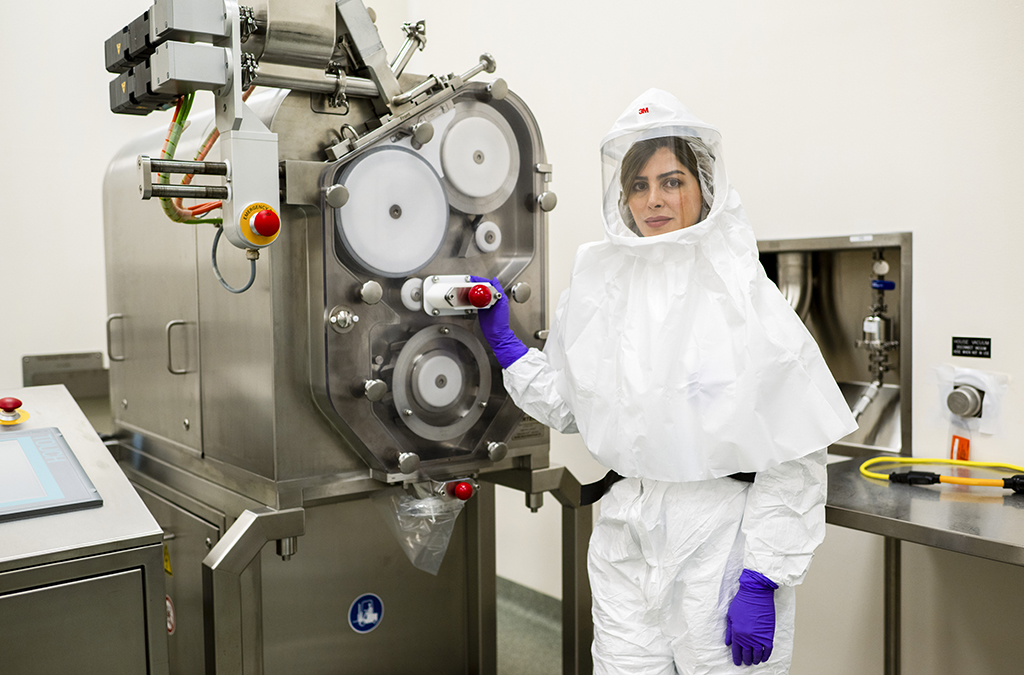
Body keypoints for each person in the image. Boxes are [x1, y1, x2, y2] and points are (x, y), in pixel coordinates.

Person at [474, 89, 857, 674]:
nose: (653, 200)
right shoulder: (601, 287)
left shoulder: (741, 296)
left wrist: (763, 574)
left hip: (721, 543)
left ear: (704, 187)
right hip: (626, 529)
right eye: (638, 185)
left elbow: (796, 449)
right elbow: (576, 406)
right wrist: (510, 351)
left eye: (672, 182)